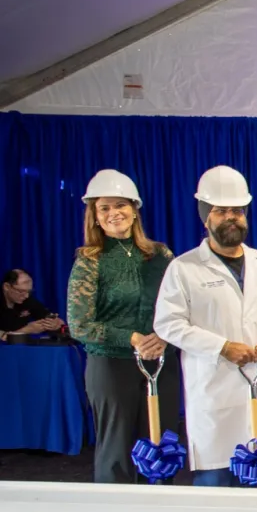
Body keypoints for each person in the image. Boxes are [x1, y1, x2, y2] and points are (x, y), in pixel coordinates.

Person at [153, 166, 257, 486]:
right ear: (205, 217)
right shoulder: (183, 268)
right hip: (212, 395)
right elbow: (168, 324)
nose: (231, 217)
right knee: (214, 491)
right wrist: (222, 347)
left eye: (237, 210)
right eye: (221, 211)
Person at [65, 170, 180, 483]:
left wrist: (165, 337)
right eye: (104, 208)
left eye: (120, 205)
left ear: (134, 209)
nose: (113, 213)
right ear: (96, 216)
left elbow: (181, 306)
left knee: (161, 444)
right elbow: (79, 324)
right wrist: (131, 337)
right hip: (110, 366)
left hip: (160, 362)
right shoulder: (89, 260)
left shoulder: (161, 255)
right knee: (116, 449)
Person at [1, 269, 65, 340]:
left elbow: (56, 320)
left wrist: (55, 324)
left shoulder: (27, 300)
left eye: (29, 291)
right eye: (21, 291)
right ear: (6, 287)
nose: (26, 296)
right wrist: (27, 330)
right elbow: (3, 338)